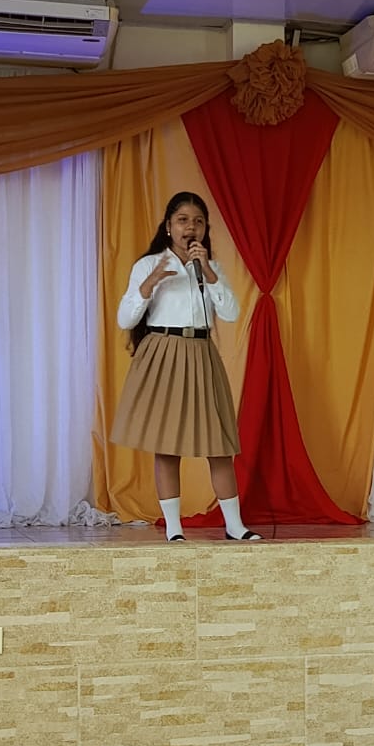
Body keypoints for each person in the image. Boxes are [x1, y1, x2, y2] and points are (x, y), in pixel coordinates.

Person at [112, 190, 261, 541]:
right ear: (168, 226)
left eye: (198, 221)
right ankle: (174, 529)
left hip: (201, 354)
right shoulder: (148, 265)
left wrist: (207, 270)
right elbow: (125, 319)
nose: (190, 227)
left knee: (218, 445)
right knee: (167, 445)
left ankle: (234, 526)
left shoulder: (210, 268)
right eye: (182, 220)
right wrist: (150, 283)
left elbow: (231, 313)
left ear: (205, 228)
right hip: (163, 354)